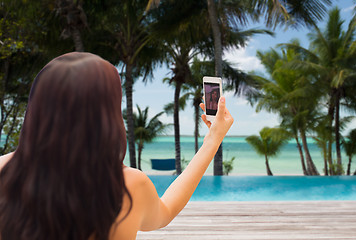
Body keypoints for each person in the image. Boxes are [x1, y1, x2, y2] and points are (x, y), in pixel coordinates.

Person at [0, 52, 233, 240]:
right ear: (106, 115)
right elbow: (166, 211)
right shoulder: (128, 185)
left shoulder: (4, 171)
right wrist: (213, 140)